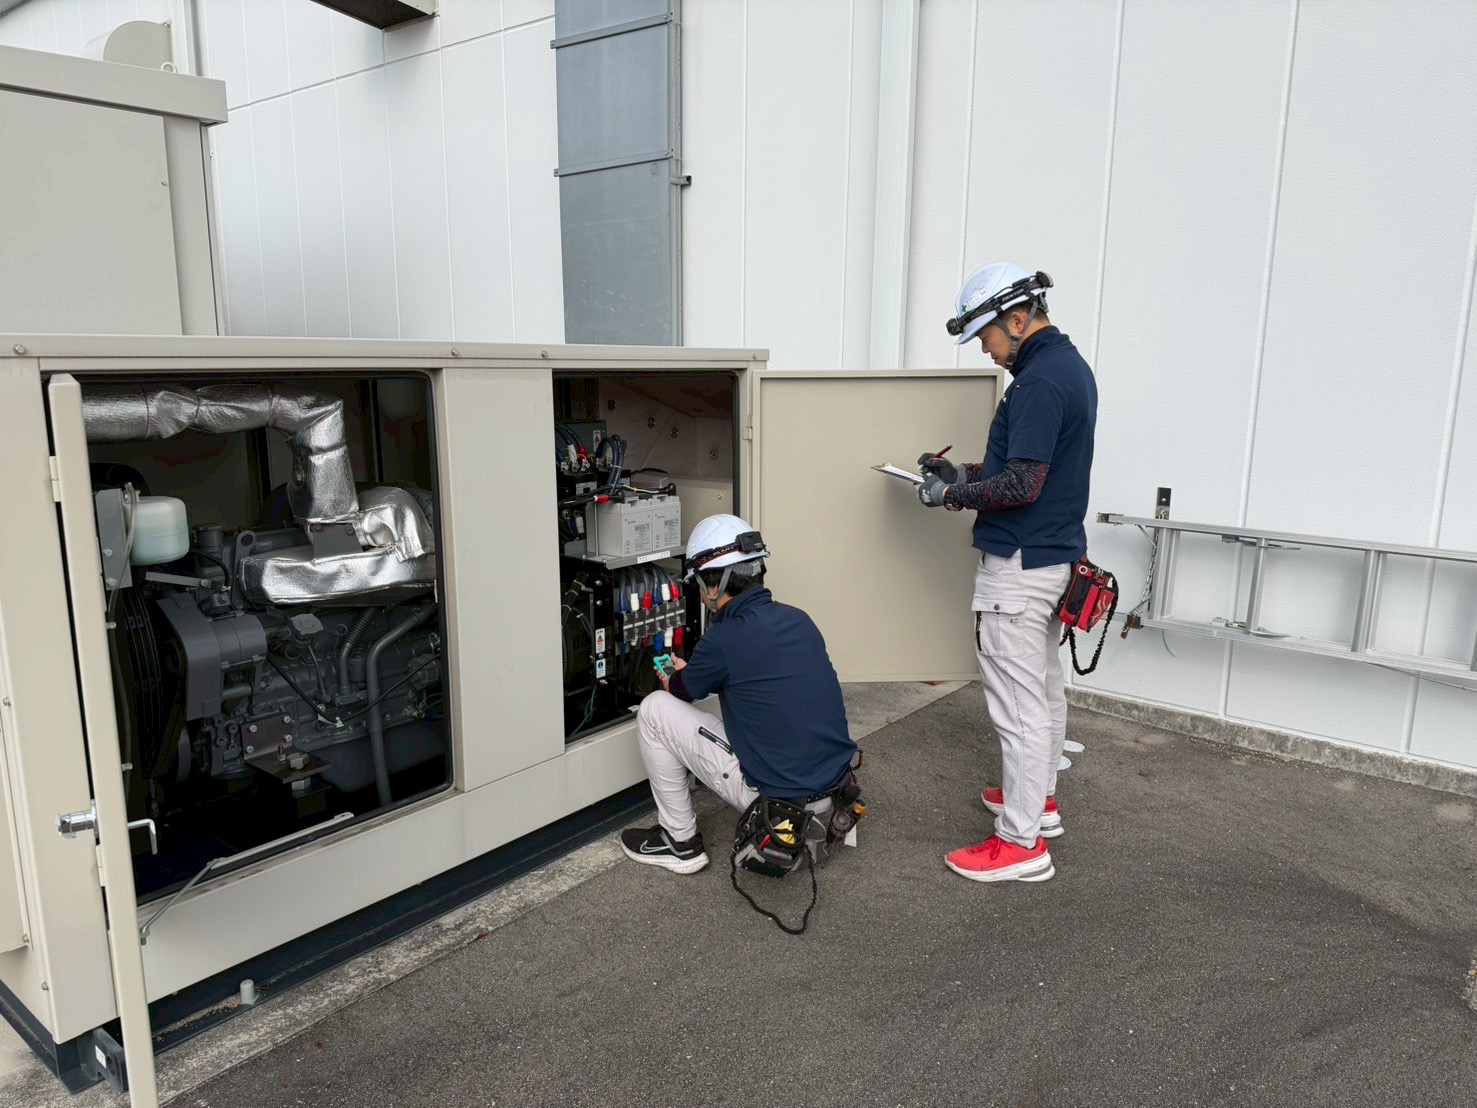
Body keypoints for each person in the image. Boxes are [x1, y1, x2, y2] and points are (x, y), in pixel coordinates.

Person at [919, 263, 1098, 883]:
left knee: (1019, 708)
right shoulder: (1068, 368)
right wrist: (962, 474)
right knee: (1043, 691)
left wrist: (950, 496)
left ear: (1017, 319)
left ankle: (1021, 844)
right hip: (1051, 558)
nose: (987, 352)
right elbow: (1027, 468)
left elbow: (1021, 486)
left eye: (987, 337)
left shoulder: (1039, 382)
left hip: (1019, 567)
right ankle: (1038, 803)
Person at [621, 514, 859, 874]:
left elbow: (682, 691)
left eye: (699, 583)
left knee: (654, 709)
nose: (700, 593)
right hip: (836, 785)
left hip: (782, 800)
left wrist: (676, 675)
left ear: (714, 584)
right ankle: (815, 819)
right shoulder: (799, 619)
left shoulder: (723, 639)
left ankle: (678, 842)